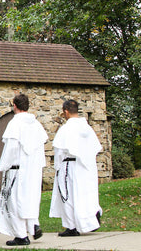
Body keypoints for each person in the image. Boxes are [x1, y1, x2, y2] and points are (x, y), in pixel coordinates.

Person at [0, 94, 47, 246]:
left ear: (15, 106)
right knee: (29, 199)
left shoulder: (15, 124)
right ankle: (33, 226)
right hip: (33, 169)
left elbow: (11, 148)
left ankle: (20, 235)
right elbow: (40, 148)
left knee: (14, 201)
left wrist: (3, 166)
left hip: (16, 170)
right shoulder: (36, 124)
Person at [49, 99, 102, 236]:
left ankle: (71, 226)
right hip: (86, 166)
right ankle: (90, 218)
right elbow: (94, 148)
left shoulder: (66, 129)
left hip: (70, 166)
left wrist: (58, 167)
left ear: (65, 111)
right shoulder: (87, 128)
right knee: (86, 194)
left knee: (68, 195)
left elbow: (60, 151)